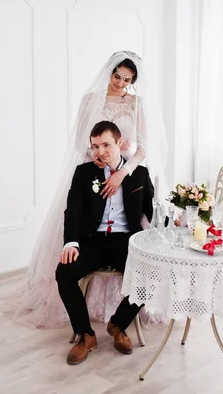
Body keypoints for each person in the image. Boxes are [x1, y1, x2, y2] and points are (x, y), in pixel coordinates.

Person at [11, 51, 168, 329]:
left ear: (133, 81)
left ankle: (118, 321)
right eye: (117, 75)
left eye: (127, 79)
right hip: (93, 171)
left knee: (135, 232)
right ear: (109, 71)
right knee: (81, 222)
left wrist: (122, 172)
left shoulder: (136, 104)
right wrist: (94, 154)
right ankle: (83, 325)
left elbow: (143, 147)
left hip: (126, 172)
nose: (120, 82)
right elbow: (78, 142)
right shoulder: (90, 101)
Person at [58, 120, 153, 364]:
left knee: (152, 271)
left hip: (126, 241)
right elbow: (73, 211)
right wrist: (71, 243)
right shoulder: (84, 172)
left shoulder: (140, 173)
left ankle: (118, 324)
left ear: (120, 143)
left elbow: (151, 212)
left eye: (106, 145)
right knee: (65, 272)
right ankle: (85, 335)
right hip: (93, 241)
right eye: (95, 146)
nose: (100, 152)